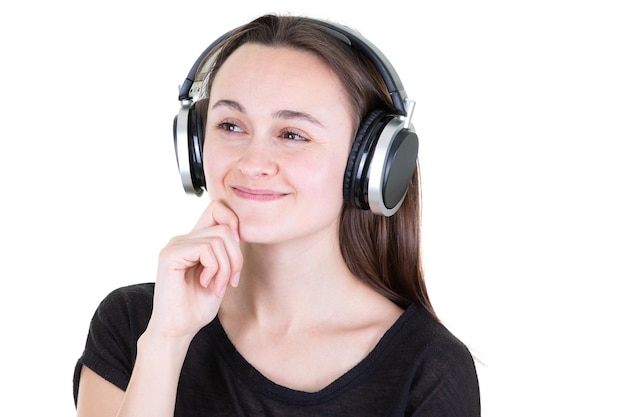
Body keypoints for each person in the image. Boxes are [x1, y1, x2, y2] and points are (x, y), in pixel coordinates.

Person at [73, 14, 481, 417]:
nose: (253, 162)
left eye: (292, 135)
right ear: (195, 146)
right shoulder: (136, 325)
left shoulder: (428, 368)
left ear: (370, 166)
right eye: (231, 125)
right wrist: (167, 341)